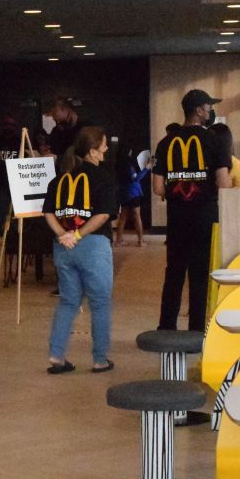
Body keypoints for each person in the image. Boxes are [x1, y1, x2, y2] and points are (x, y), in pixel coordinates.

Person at [153, 89, 233, 332]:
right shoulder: (215, 141)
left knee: (174, 271)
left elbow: (157, 187)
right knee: (199, 274)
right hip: (205, 217)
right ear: (199, 110)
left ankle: (166, 326)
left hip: (177, 218)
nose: (210, 112)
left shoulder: (166, 143)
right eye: (208, 107)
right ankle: (196, 330)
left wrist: (176, 189)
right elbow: (223, 184)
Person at [43, 124, 117, 374]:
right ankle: (99, 359)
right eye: (104, 144)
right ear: (94, 151)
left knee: (67, 302)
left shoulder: (60, 179)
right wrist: (77, 234)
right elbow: (103, 215)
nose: (107, 148)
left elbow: (49, 213)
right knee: (99, 302)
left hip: (63, 249)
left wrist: (64, 235)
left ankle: (56, 354)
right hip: (93, 246)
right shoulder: (104, 177)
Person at [117, 148, 148, 246]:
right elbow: (136, 178)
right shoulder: (128, 166)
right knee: (137, 216)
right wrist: (147, 168)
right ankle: (140, 241)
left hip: (124, 193)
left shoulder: (119, 166)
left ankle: (119, 240)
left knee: (123, 217)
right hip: (133, 193)